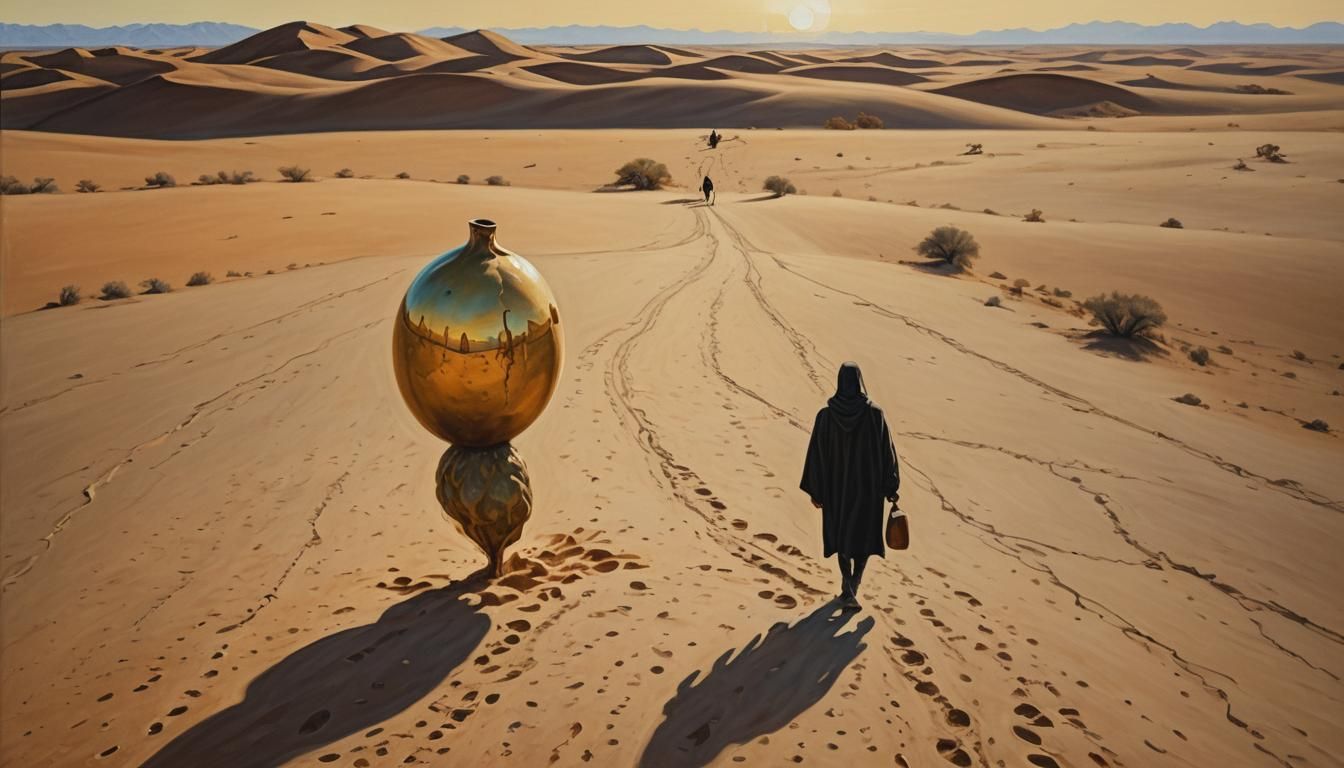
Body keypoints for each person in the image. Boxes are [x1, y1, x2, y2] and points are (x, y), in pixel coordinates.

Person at [800, 362, 900, 610]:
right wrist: (891, 486)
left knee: (842, 536)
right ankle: (852, 587)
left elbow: (816, 455)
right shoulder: (875, 415)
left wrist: (817, 490)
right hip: (868, 490)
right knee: (864, 537)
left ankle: (848, 586)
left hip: (837, 491)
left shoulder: (825, 416)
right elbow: (887, 452)